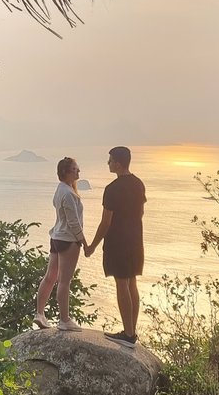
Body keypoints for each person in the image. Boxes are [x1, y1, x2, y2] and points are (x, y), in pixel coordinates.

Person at [85, 146, 145, 347]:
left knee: (122, 284)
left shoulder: (112, 189)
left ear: (118, 164)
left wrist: (92, 246)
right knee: (132, 283)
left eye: (110, 160)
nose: (108, 163)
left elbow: (106, 222)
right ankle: (131, 331)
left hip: (118, 241)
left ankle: (128, 334)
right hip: (135, 240)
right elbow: (140, 213)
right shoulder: (138, 184)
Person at [34, 156, 85, 331]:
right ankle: (64, 319)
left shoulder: (61, 189)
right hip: (68, 239)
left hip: (56, 237)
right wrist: (84, 242)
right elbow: (74, 222)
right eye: (75, 169)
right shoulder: (69, 194)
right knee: (64, 280)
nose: (78, 171)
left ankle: (40, 313)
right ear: (66, 172)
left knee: (50, 276)